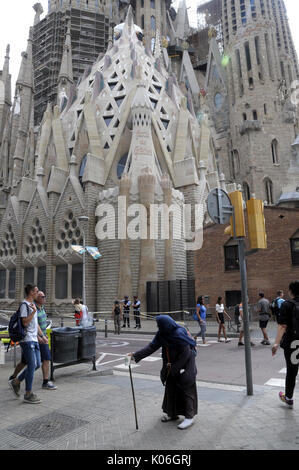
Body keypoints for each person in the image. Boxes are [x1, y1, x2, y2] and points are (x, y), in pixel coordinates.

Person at [129, 315, 197, 430]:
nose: (158, 328)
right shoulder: (162, 334)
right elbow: (151, 347)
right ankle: (172, 413)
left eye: (159, 325)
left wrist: (175, 370)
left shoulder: (179, 334)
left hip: (185, 367)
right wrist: (135, 355)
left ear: (166, 326)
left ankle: (189, 417)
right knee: (171, 389)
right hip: (171, 367)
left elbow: (186, 355)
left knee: (186, 391)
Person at [9, 291, 57, 391]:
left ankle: (45, 381)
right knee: (26, 362)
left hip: (39, 338)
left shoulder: (41, 308)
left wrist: (43, 336)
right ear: (36, 297)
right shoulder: (30, 307)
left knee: (44, 360)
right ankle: (16, 379)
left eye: (45, 296)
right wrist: (39, 337)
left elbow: (38, 325)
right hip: (33, 339)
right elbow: (30, 324)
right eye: (42, 296)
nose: (44, 298)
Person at [8, 285, 42, 404]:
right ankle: (28, 393)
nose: (38, 293)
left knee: (37, 364)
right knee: (32, 365)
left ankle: (16, 382)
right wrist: (33, 312)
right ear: (31, 292)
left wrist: (41, 336)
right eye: (37, 291)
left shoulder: (33, 305)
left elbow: (35, 324)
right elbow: (25, 323)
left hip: (34, 339)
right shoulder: (24, 305)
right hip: (27, 340)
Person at [272, 281, 299, 408]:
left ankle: (289, 398)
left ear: (290, 291)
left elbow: (282, 326)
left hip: (293, 343)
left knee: (292, 370)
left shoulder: (287, 305)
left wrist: (276, 343)